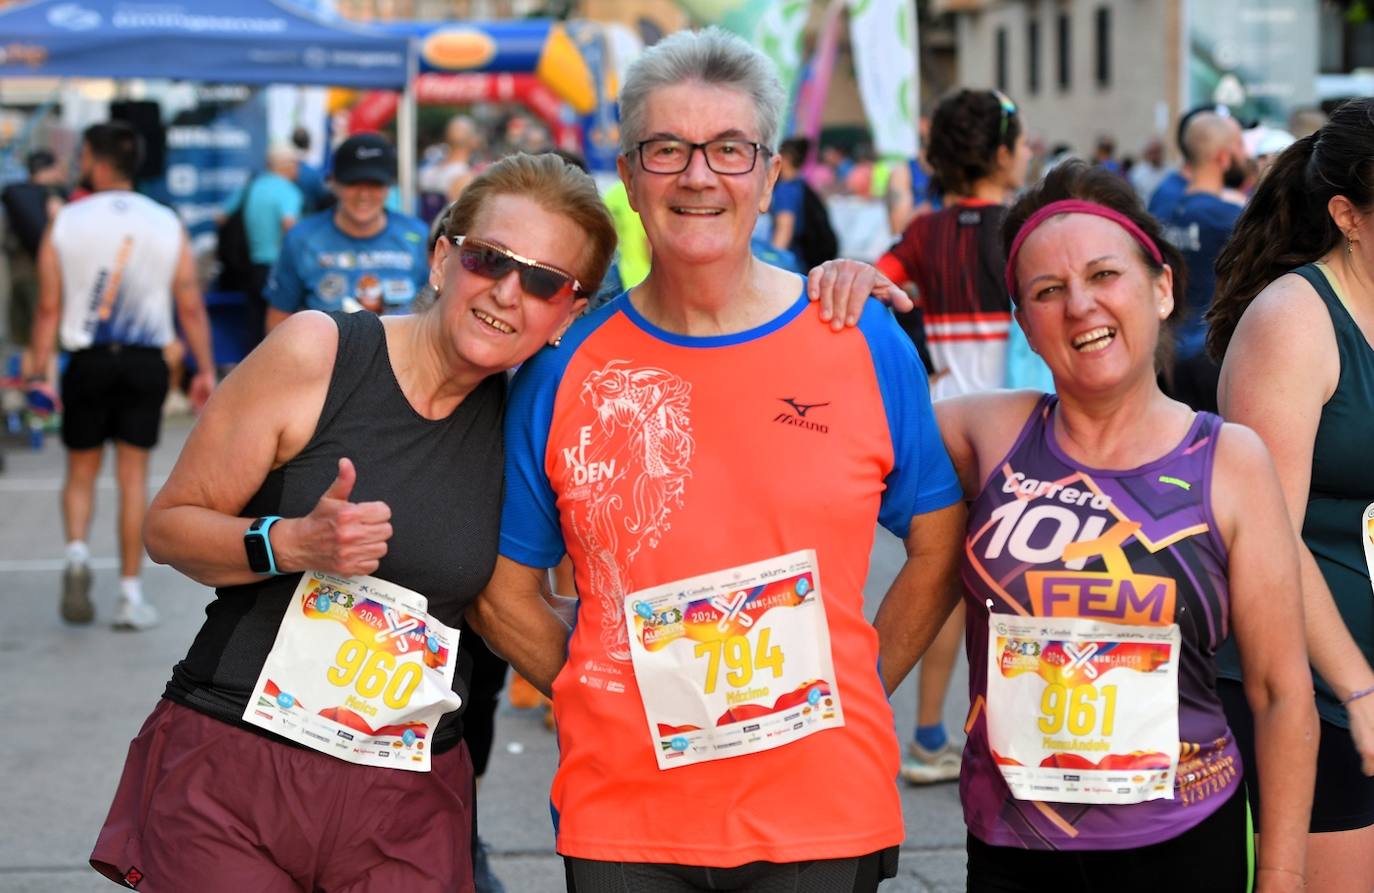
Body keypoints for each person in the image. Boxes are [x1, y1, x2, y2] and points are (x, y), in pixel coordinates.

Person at [466, 28, 965, 892]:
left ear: (769, 174)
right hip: (625, 817)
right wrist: (606, 691)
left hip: (822, 812)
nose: (699, 176)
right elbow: (502, 587)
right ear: (628, 175)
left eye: (730, 149)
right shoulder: (561, 368)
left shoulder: (860, 338)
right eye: (668, 149)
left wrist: (854, 686)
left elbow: (939, 537)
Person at [88, 152, 618, 891]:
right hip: (240, 765)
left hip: (405, 800)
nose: (506, 291)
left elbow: (512, 601)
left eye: (543, 280)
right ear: (441, 256)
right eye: (488, 257)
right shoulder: (320, 352)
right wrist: (291, 541)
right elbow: (170, 525)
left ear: (569, 311)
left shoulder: (530, 428)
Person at [936, 159, 1316, 892]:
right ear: (1025, 325)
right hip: (1015, 848)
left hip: (1182, 845)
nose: (1080, 305)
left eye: (1105, 275)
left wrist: (1281, 875)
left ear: (1162, 286)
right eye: (1048, 291)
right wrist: (852, 295)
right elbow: (841, 434)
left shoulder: (1229, 459)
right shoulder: (984, 434)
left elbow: (1278, 690)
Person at [1207, 96, 1374, 893]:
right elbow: (1268, 536)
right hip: (1318, 691)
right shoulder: (1294, 323)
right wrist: (1357, 685)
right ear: (1347, 214)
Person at [873, 87, 1033, 785]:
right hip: (1018, 428)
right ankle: (1009, 733)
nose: (1026, 152)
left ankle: (929, 732)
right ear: (1001, 153)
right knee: (1017, 592)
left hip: (941, 426)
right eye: (1021, 142)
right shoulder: (1027, 230)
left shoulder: (924, 233)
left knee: (940, 577)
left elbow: (877, 287)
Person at [29, 121, 216, 631]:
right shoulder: (164, 220)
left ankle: (75, 555)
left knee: (81, 472)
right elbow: (190, 305)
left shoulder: (66, 219)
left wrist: (34, 374)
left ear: (92, 157)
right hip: (143, 364)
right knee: (133, 479)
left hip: (87, 362)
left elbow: (48, 308)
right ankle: (130, 595)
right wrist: (203, 370)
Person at [264, 133, 428, 331]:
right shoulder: (302, 239)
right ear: (333, 183)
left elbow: (433, 316)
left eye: (375, 184)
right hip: (325, 360)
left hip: (402, 360)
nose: (364, 194)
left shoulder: (417, 236)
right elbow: (278, 321)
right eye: (353, 182)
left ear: (389, 187)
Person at [1158, 111, 1247, 414]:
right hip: (1212, 355)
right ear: (1223, 157)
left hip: (1168, 356)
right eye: (1239, 146)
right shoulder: (1228, 217)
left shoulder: (1165, 211)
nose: (1244, 154)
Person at [2, 149, 67, 380]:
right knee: (46, 342)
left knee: (26, 343)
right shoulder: (51, 196)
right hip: (40, 278)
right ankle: (46, 401)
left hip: (16, 275)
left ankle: (30, 403)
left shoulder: (14, 195)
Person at [229, 142, 303, 344]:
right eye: (296, 164)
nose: (299, 169)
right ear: (286, 166)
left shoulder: (253, 186)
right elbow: (290, 225)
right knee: (279, 334)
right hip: (279, 269)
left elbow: (222, 216)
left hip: (252, 267)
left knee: (254, 331)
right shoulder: (288, 190)